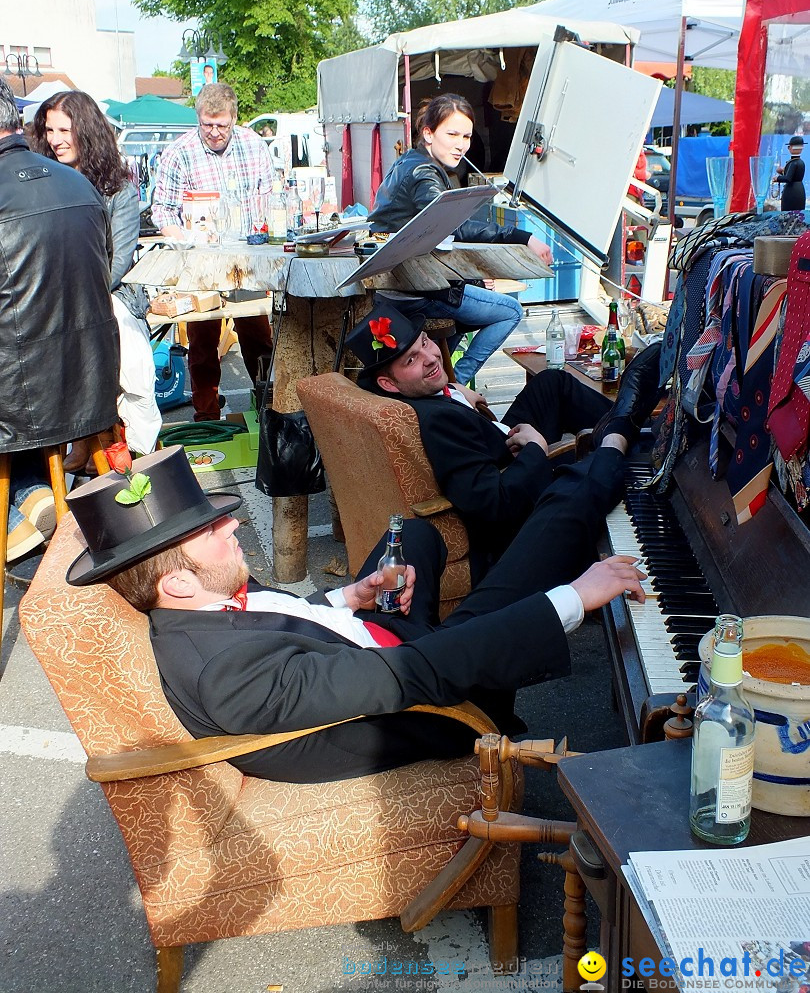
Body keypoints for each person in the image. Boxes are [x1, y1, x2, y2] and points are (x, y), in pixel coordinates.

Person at [65, 444, 646, 784]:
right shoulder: (227, 675)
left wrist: (353, 596)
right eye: (211, 530)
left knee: (411, 533)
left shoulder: (198, 607)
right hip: (431, 694)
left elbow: (276, 622)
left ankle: (592, 474)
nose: (234, 524)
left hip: (367, 644)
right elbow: (410, 677)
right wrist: (573, 597)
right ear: (178, 581)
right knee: (546, 546)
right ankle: (611, 455)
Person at [348, 302, 664, 581]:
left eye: (426, 342)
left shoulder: (418, 395)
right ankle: (637, 435)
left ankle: (639, 426)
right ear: (388, 383)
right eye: (411, 361)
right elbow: (495, 503)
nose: (431, 358)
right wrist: (536, 447)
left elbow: (431, 391)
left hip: (496, 437)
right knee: (602, 455)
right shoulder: (438, 424)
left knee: (551, 382)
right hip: (522, 489)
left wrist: (454, 391)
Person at [0, 75, 119, 559]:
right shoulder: (79, 183)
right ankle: (30, 500)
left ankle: (25, 502)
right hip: (88, 382)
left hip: (19, 398)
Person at [369, 94, 553, 386]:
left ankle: (443, 382)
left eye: (466, 136)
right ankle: (456, 383)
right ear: (428, 133)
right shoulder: (423, 172)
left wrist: (473, 281)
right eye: (452, 134)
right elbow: (455, 226)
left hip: (400, 288)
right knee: (510, 311)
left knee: (462, 315)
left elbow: (437, 234)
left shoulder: (409, 161)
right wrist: (524, 236)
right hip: (415, 293)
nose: (461, 144)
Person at [31, 90, 162, 466]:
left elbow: (118, 261)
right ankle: (82, 441)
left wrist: (77, 294)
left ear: (86, 131)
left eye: (64, 130)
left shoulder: (117, 186)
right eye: (49, 130)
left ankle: (117, 443)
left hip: (107, 294)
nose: (55, 139)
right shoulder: (42, 181)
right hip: (57, 295)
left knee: (117, 342)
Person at [151, 83, 275, 420]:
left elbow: (270, 195)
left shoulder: (254, 146)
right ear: (198, 118)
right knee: (203, 342)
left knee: (258, 339)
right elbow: (161, 209)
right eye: (207, 124)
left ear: (235, 118)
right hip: (201, 266)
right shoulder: (179, 152)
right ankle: (207, 416)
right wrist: (183, 239)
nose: (214, 132)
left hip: (247, 263)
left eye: (221, 124)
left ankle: (268, 408)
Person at [773, 135, 806, 212]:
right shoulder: (800, 162)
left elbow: (788, 178)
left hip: (792, 192)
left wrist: (777, 178)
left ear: (789, 147)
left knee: (789, 213)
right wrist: (782, 172)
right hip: (799, 190)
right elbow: (793, 175)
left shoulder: (793, 163)